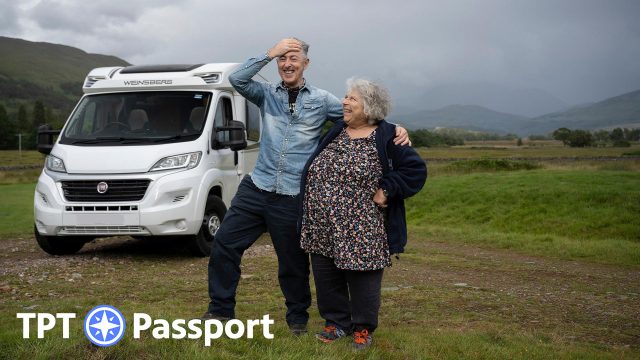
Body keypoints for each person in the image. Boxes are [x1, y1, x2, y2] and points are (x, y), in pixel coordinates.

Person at [204, 38, 411, 335]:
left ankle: (297, 318)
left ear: (306, 64)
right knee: (224, 244)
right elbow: (237, 78)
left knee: (292, 263)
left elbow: (364, 116)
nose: (287, 64)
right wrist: (268, 53)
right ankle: (220, 311)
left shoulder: (323, 100)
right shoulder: (265, 94)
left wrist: (396, 129)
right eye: (282, 59)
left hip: (292, 196)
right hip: (257, 187)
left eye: (293, 58)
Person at [299, 78, 427, 349]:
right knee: (326, 275)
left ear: (369, 107)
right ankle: (336, 323)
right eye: (345, 97)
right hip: (322, 222)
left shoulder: (388, 136)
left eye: (352, 99)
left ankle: (362, 328)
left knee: (363, 278)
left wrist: (387, 189)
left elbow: (415, 171)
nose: (344, 102)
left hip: (363, 225)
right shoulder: (336, 130)